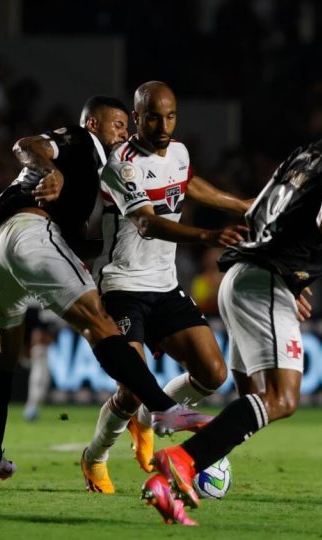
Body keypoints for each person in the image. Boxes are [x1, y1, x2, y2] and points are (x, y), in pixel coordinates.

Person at [141, 90, 322, 525]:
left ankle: (178, 471)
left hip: (242, 279)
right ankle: (181, 459)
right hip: (262, 282)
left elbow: (264, 212)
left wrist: (294, 276)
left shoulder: (312, 150)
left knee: (253, 400)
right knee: (283, 398)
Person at [0, 95, 216, 485]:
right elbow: (26, 145)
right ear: (93, 125)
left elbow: (80, 244)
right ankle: (163, 408)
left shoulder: (102, 173)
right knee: (98, 321)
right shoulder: (81, 142)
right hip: (28, 232)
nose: (124, 132)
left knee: (4, 354)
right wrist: (50, 169)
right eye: (117, 125)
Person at [80, 81, 250, 493]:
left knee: (213, 373)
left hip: (165, 286)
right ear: (137, 118)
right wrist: (207, 237)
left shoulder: (178, 152)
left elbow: (189, 184)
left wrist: (246, 205)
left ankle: (149, 418)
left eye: (170, 115)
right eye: (153, 116)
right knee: (132, 387)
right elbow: (145, 222)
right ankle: (95, 456)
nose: (163, 124)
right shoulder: (120, 164)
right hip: (121, 286)